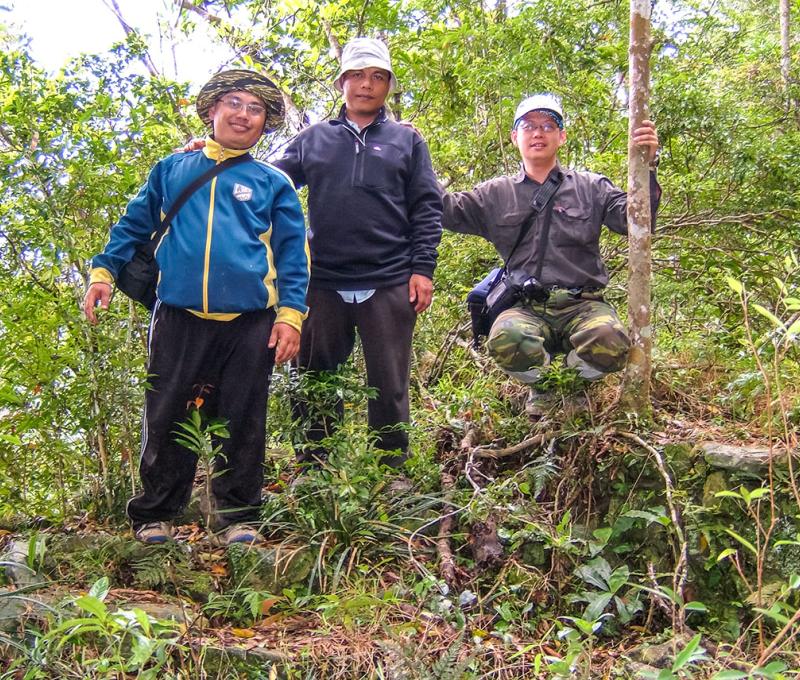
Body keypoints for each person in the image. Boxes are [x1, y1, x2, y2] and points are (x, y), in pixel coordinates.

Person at [83, 70, 310, 543]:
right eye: (234, 102)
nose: (242, 114)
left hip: (251, 321)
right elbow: (132, 224)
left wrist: (291, 315)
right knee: (166, 412)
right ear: (212, 110)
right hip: (177, 315)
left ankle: (238, 517)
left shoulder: (274, 182)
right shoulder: (171, 170)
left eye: (255, 109)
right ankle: (155, 515)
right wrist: (103, 272)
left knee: (243, 417)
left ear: (265, 124)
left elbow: (294, 254)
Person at [274, 38, 443, 467]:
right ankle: (315, 467)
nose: (367, 85)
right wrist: (215, 157)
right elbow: (267, 183)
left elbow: (427, 206)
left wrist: (422, 268)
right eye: (357, 75)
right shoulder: (314, 139)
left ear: (388, 86)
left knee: (389, 382)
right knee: (314, 377)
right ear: (341, 82)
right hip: (323, 282)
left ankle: (392, 470)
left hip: (389, 279)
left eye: (378, 77)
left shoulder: (406, 141)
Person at [442, 93, 660, 415]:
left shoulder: (591, 187)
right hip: (527, 308)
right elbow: (445, 210)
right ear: (515, 137)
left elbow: (635, 220)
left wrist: (648, 166)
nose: (538, 133)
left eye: (548, 125)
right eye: (528, 126)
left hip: (583, 305)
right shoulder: (496, 194)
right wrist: (413, 160)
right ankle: (543, 388)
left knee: (612, 340)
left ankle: (572, 386)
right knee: (506, 337)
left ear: (562, 136)